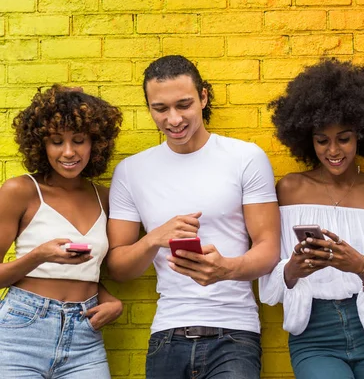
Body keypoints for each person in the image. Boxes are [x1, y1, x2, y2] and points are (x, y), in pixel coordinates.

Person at [106, 55, 281, 379]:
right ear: (149, 107)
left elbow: (269, 249)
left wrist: (226, 268)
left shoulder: (245, 158)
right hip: (167, 334)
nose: (173, 119)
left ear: (203, 97)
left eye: (183, 104)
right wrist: (154, 238)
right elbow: (118, 267)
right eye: (161, 109)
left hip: (235, 333)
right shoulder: (131, 172)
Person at [260, 59, 364, 379]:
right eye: (321, 140)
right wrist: (293, 269)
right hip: (315, 335)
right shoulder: (290, 189)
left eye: (343, 138)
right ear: (306, 138)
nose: (333, 150)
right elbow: (269, 282)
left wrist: (361, 266)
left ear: (361, 135)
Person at [0, 85, 124, 378]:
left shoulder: (105, 198)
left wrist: (110, 301)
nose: (69, 152)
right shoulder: (21, 191)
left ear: (95, 143)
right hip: (21, 331)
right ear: (41, 145)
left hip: (84, 334)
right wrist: (39, 255)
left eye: (78, 140)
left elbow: (86, 271)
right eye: (57, 142)